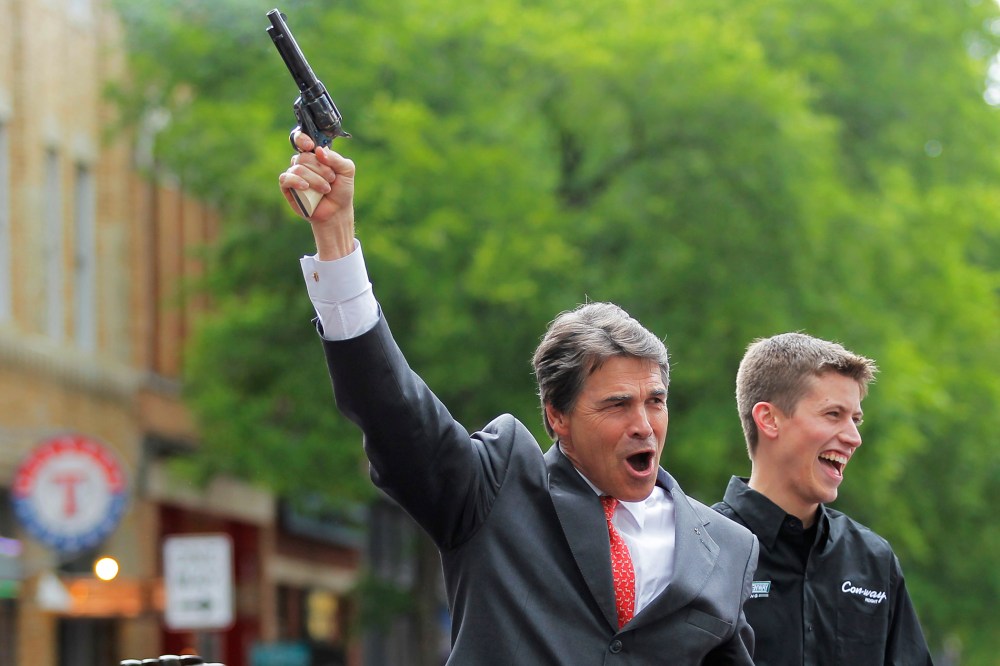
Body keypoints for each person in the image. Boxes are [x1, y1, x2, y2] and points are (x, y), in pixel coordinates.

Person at [278, 133, 760, 664]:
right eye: (618, 405)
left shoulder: (727, 547)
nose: (644, 424)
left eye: (656, 401)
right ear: (557, 416)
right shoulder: (494, 490)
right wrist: (335, 234)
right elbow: (392, 410)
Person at [712, 332, 934, 665]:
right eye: (833, 414)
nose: (854, 437)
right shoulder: (701, 549)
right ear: (768, 419)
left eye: (855, 419)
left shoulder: (874, 559)